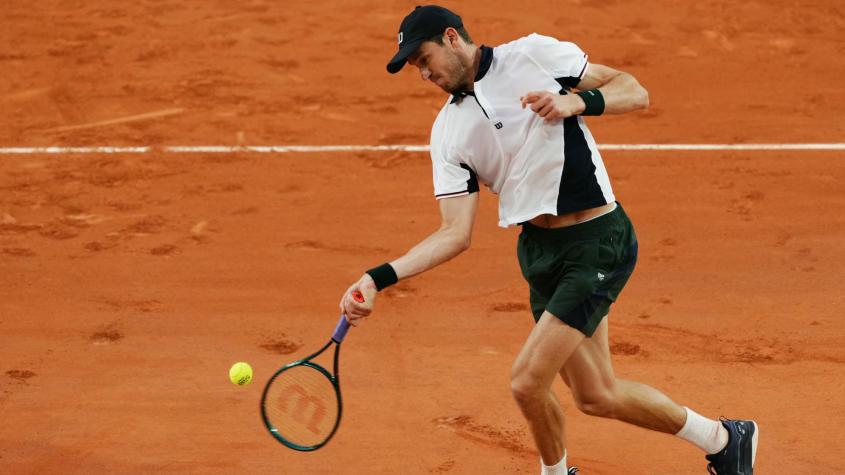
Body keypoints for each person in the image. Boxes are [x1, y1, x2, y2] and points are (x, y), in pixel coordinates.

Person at [339, 5, 758, 475]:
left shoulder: (532, 56)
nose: (423, 74)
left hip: (597, 240)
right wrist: (377, 279)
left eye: (423, 58)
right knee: (597, 394)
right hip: (540, 255)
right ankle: (726, 439)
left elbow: (633, 91)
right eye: (414, 67)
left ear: (452, 37)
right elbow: (454, 233)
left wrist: (577, 102)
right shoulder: (447, 132)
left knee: (526, 382)